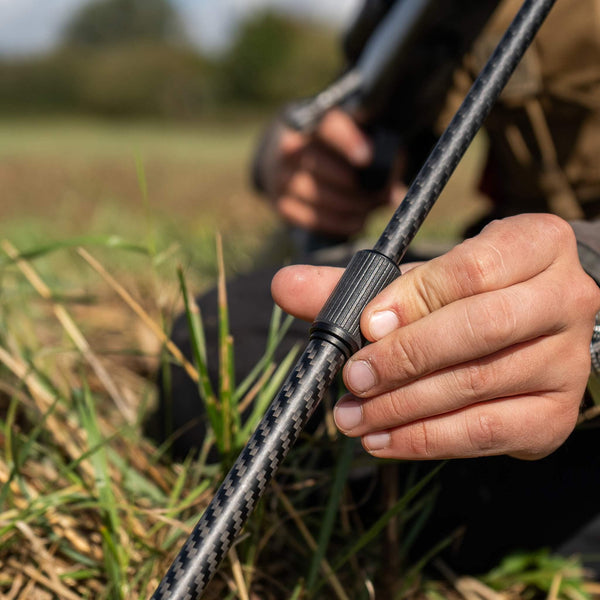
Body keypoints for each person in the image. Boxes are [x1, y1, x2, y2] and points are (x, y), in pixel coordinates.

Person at [148, 0, 600, 576]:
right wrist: (299, 155)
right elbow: (371, 96)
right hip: (521, 272)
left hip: (574, 287)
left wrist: (588, 293)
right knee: (222, 343)